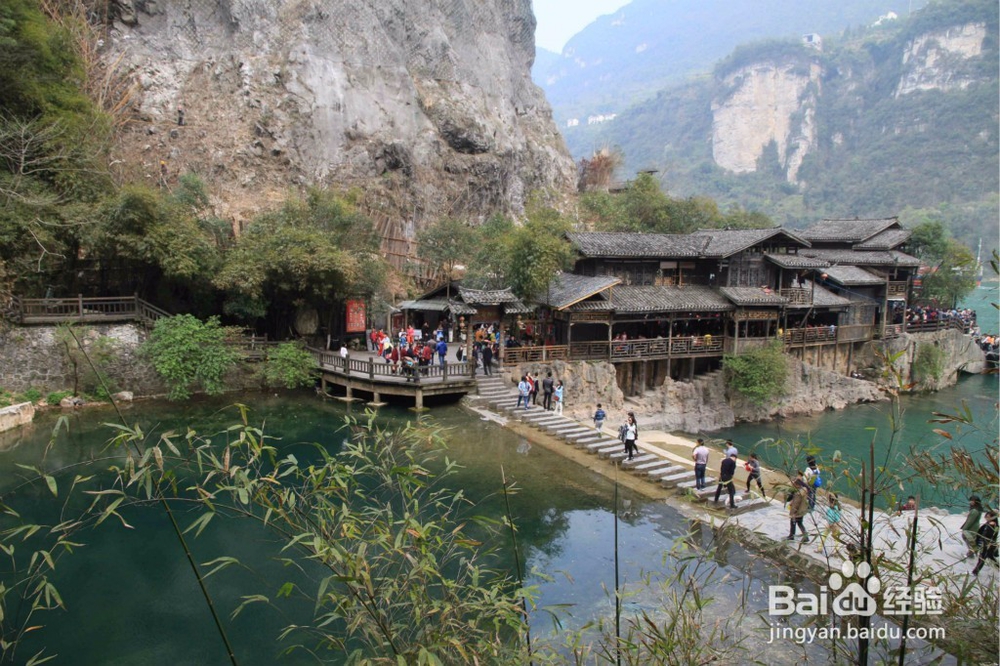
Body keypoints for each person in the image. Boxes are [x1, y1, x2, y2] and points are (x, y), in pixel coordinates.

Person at [972, 511, 998, 576]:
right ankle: (998, 566)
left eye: (988, 517)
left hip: (987, 544)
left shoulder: (992, 525)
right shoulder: (991, 524)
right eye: (986, 516)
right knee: (989, 556)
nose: (986, 518)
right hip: (990, 544)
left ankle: (975, 572)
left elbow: (987, 535)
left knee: (982, 558)